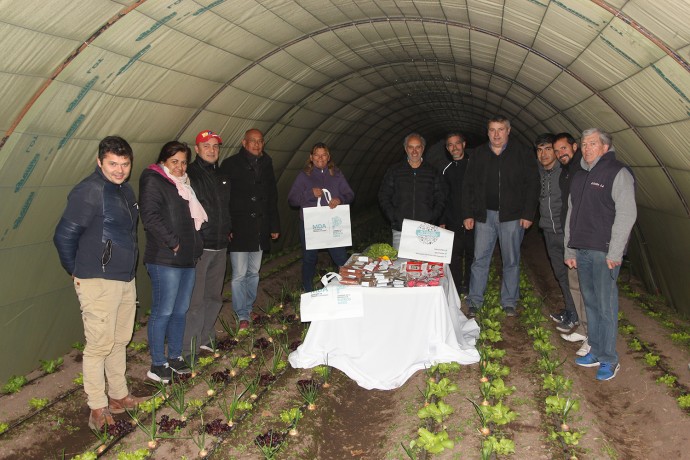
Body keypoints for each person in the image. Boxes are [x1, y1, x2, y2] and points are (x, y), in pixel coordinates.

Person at [54, 136, 145, 430]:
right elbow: (64, 235)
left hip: (123, 278)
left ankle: (118, 396)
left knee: (119, 340)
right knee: (98, 346)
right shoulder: (89, 191)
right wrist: (78, 271)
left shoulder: (125, 189)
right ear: (99, 162)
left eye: (124, 164)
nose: (119, 169)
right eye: (113, 164)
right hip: (97, 279)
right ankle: (97, 407)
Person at [565, 128, 636, 381]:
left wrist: (615, 251)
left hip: (604, 252)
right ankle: (595, 350)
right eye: (583, 144)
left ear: (605, 147)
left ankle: (609, 359)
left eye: (592, 144)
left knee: (605, 307)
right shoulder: (579, 176)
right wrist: (570, 248)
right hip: (582, 249)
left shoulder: (618, 173)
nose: (587, 148)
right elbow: (572, 215)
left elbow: (627, 214)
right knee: (591, 303)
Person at [140, 141, 205, 383]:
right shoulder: (153, 180)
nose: (179, 167)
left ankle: (175, 356)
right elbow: (150, 216)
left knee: (180, 311)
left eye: (183, 162)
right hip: (165, 258)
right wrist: (173, 242)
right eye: (174, 162)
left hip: (187, 258)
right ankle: (157, 363)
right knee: (163, 311)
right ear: (163, 161)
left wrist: (195, 245)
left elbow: (191, 219)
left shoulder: (184, 185)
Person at [462, 115, 539, 317]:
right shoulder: (478, 154)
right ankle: (475, 300)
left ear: (508, 131)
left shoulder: (521, 153)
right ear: (487, 132)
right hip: (484, 216)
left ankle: (509, 301)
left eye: (500, 129)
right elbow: (468, 185)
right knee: (480, 258)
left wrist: (528, 213)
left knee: (511, 259)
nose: (496, 134)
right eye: (492, 130)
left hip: (512, 216)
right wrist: (469, 213)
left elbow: (532, 184)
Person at [220, 129, 280, 329]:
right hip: (239, 228)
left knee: (254, 272)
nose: (256, 144)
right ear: (243, 143)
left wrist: (274, 224)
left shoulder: (266, 164)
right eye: (252, 141)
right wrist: (227, 225)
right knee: (239, 273)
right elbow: (223, 199)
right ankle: (241, 314)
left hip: (260, 228)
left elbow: (272, 196)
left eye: (260, 141)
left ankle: (248, 307)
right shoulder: (230, 165)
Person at [182, 130, 232, 358]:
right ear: (197, 148)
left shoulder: (222, 174)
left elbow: (224, 207)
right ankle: (188, 345)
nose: (212, 150)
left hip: (220, 244)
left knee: (214, 296)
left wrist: (228, 229)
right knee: (195, 299)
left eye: (215, 146)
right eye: (207, 146)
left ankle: (206, 337)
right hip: (201, 246)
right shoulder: (189, 173)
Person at [288, 142, 355, 292]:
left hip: (332, 224)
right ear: (311, 157)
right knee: (309, 258)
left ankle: (348, 289)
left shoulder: (336, 174)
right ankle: (308, 290)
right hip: (311, 225)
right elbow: (292, 199)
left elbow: (350, 194)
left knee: (341, 257)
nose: (320, 158)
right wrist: (310, 194)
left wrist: (339, 200)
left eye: (324, 154)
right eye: (317, 155)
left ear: (328, 156)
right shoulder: (304, 176)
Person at [535, 133, 581, 339]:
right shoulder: (539, 173)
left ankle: (579, 316)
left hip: (566, 232)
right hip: (548, 230)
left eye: (548, 149)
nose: (544, 154)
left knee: (574, 277)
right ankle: (571, 311)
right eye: (539, 150)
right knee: (560, 274)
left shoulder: (565, 172)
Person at [553, 132, 589, 356]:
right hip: (571, 237)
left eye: (563, 148)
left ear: (575, 147)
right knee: (575, 284)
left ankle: (592, 335)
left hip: (583, 238)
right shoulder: (566, 172)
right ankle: (584, 329)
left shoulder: (582, 170)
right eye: (557, 151)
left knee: (587, 289)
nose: (560, 154)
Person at [378, 132, 445, 250]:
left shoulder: (433, 172)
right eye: (411, 147)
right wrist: (394, 217)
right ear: (405, 149)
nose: (414, 151)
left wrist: (432, 217)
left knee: (423, 266)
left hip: (425, 230)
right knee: (402, 266)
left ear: (423, 148)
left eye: (418, 147)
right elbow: (384, 195)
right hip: (401, 230)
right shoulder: (395, 171)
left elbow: (440, 196)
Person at [439, 132, 473, 295]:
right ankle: (456, 288)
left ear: (464, 144)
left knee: (473, 254)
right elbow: (443, 197)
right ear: (447, 148)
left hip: (474, 220)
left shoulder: (474, 166)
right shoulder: (446, 170)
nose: (454, 147)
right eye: (450, 145)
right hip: (453, 219)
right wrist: (443, 219)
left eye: (457, 143)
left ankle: (470, 286)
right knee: (454, 256)